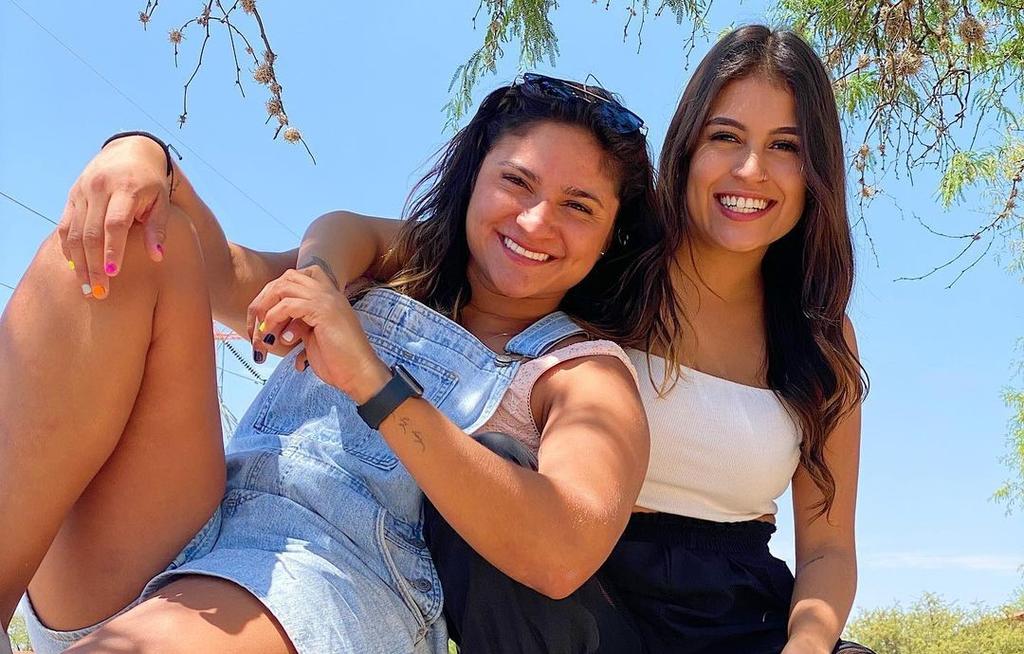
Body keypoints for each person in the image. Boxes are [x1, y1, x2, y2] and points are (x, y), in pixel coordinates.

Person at [127, 26, 871, 654]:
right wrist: (318, 279)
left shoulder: (818, 336)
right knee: (495, 465)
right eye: (726, 137)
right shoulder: (593, 261)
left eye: (785, 146)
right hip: (561, 599)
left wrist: (807, 647)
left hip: (741, 614)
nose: (750, 170)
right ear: (688, 149)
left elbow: (830, 547)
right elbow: (373, 239)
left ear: (816, 171)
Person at [0, 74, 675, 653]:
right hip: (189, 524)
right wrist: (142, 156)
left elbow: (561, 551)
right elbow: (231, 273)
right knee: (137, 237)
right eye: (516, 182)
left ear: (612, 236)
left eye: (577, 206)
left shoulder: (582, 372)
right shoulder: (395, 268)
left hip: (335, 584)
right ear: (474, 179)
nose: (534, 222)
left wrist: (374, 383)